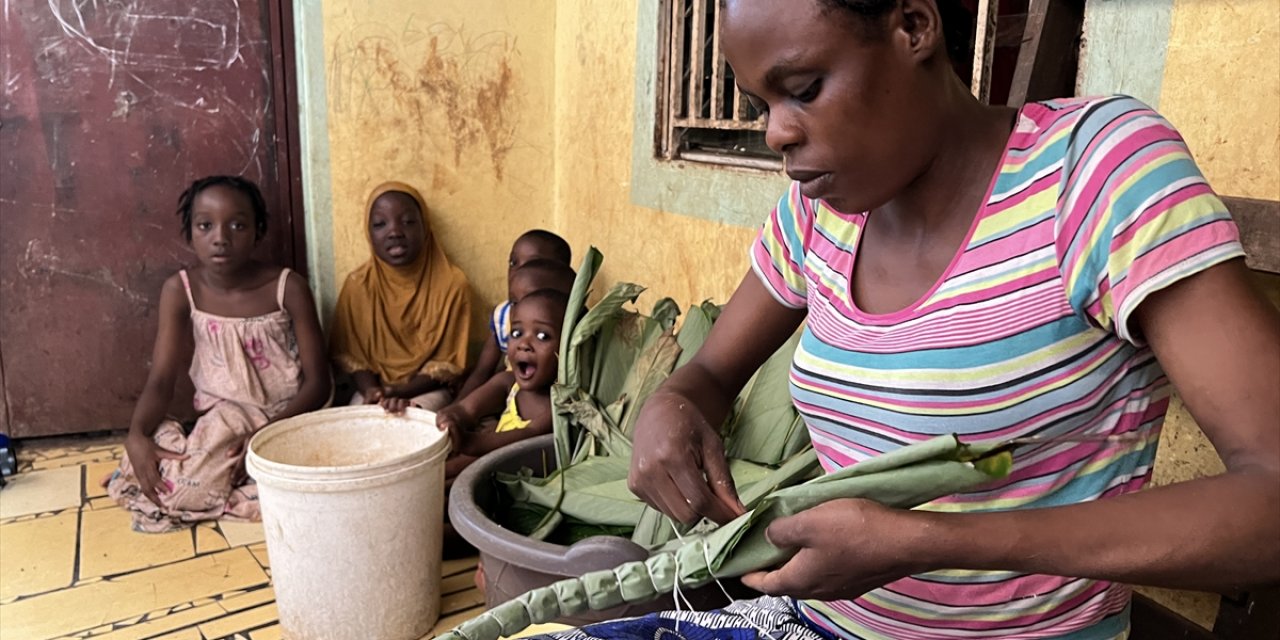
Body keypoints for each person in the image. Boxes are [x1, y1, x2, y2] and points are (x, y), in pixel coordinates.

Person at [529, 1, 1280, 639]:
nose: (776, 134)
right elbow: (712, 372)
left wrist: (929, 543)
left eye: (803, 88)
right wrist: (674, 403)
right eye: (761, 104)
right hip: (815, 623)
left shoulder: (1093, 174)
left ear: (914, 25)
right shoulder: (818, 214)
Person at [106, 176, 331, 533]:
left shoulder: (287, 288)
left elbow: (319, 384)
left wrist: (265, 437)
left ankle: (213, 468)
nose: (220, 237)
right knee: (164, 473)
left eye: (238, 225)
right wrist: (136, 435)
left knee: (187, 491)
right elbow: (161, 379)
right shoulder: (181, 290)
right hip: (222, 418)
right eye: (205, 225)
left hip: (281, 417)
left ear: (258, 232)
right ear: (190, 232)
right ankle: (184, 452)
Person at [329, 182, 472, 414]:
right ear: (369, 233)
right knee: (361, 426)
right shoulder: (358, 285)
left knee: (414, 424)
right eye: (380, 224)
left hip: (427, 389)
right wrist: (373, 392)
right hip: (373, 389)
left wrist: (398, 393)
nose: (395, 232)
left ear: (425, 227)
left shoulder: (452, 284)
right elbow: (351, 355)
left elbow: (448, 362)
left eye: (408, 222)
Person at [436, 288, 567, 465]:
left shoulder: (562, 404)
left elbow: (528, 435)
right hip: (486, 464)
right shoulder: (507, 382)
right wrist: (449, 419)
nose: (524, 344)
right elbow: (466, 410)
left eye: (542, 336)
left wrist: (468, 441)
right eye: (517, 333)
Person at [456, 230, 573, 401]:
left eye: (533, 262)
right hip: (511, 393)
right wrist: (458, 405)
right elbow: (483, 371)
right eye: (513, 262)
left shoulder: (569, 327)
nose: (519, 270)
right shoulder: (504, 315)